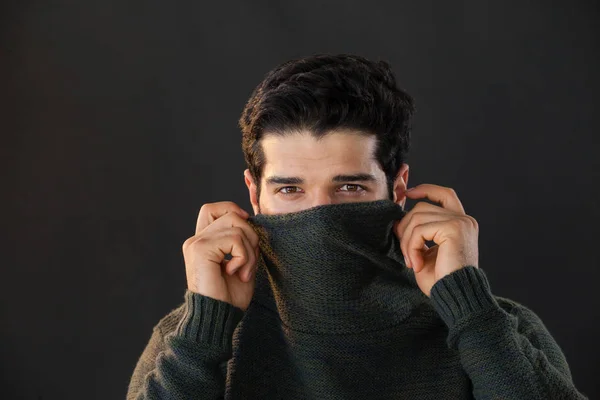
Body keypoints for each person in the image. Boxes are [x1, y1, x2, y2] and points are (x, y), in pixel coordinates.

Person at [126, 54, 588, 399]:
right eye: (290, 190)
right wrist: (206, 328)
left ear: (398, 187)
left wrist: (468, 306)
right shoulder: (188, 341)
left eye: (349, 188)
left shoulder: (496, 330)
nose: (321, 213)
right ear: (254, 194)